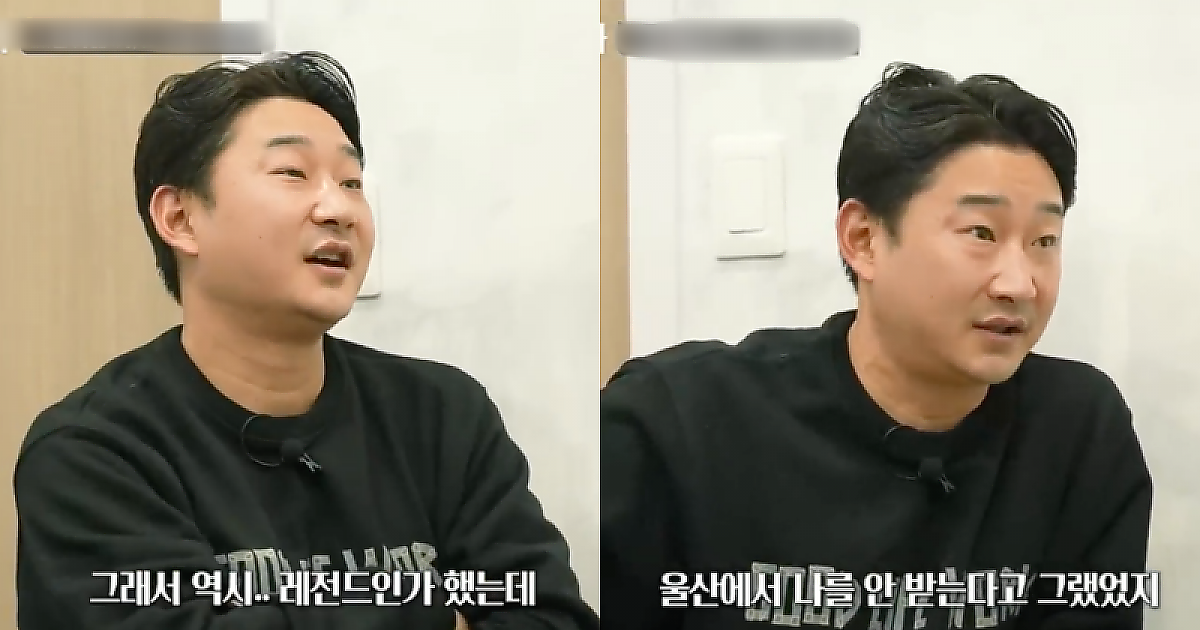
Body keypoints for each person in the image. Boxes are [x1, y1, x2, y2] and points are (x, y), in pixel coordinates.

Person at [15, 51, 599, 630]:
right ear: (180, 219)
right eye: (293, 173)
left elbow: (550, 618)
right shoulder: (95, 454)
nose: (338, 208)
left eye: (352, 182)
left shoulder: (441, 416)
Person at [602, 62, 1154, 630]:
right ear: (863, 240)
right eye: (981, 233)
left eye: (1044, 241)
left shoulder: (1077, 431)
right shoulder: (675, 426)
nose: (1019, 284)